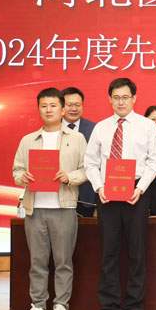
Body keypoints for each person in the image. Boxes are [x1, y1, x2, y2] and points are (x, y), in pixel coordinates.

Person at [84, 78, 156, 310]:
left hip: (136, 192)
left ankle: (134, 307)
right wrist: (99, 186)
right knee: (109, 252)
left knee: (137, 252)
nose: (121, 102)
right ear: (110, 99)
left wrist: (140, 188)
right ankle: (110, 308)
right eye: (116, 97)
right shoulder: (101, 127)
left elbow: (155, 161)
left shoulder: (147, 126)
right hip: (107, 192)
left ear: (134, 98)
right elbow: (90, 162)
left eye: (125, 97)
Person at [12, 87, 87, 310]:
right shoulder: (28, 140)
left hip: (64, 208)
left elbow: (86, 169)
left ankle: (61, 306)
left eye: (53, 105)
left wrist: (69, 177)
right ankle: (38, 306)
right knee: (37, 261)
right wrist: (23, 177)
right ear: (38, 109)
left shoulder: (76, 138)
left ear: (62, 110)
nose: (48, 110)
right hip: (35, 208)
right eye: (44, 106)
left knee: (64, 261)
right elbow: (17, 170)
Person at [61, 87, 96, 217]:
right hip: (60, 194)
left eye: (77, 105)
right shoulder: (52, 129)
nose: (74, 109)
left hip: (87, 196)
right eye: (69, 105)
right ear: (62, 106)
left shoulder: (94, 129)